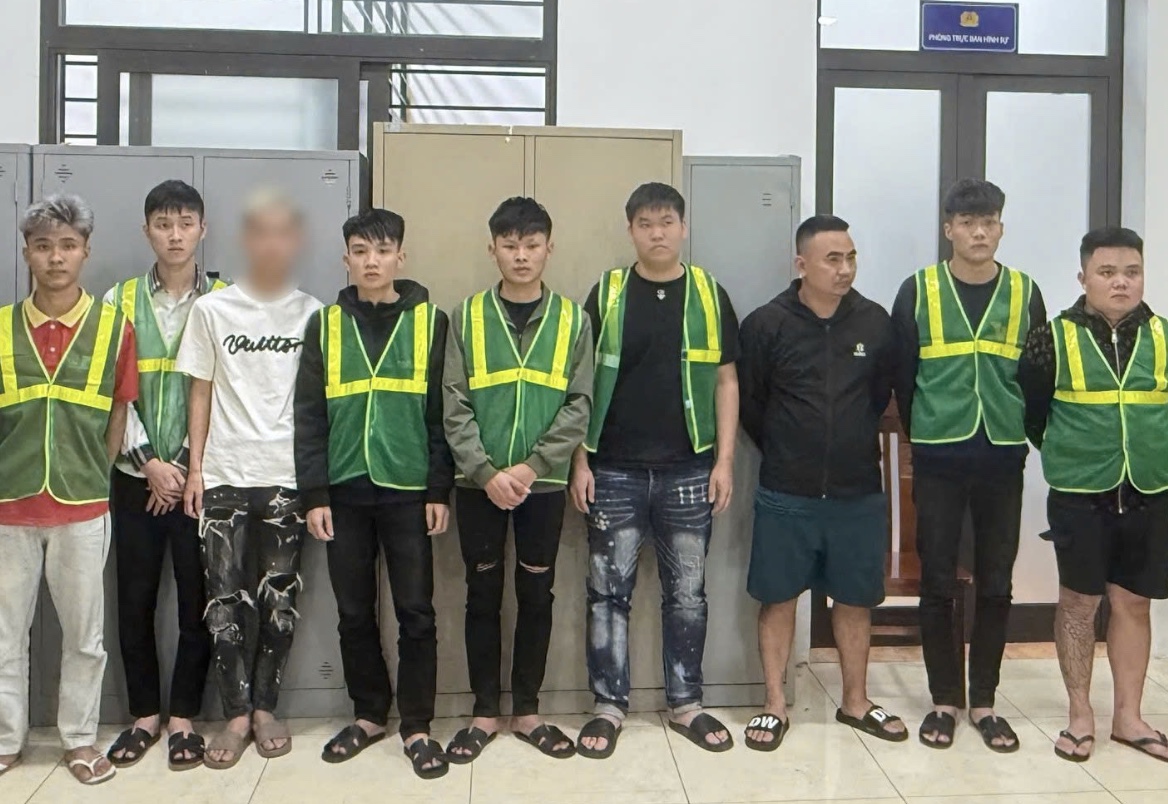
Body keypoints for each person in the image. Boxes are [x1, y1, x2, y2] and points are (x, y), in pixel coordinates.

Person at [571, 182, 739, 759]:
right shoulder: (608, 293)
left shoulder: (710, 294)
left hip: (689, 470)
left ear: (683, 228)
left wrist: (724, 461)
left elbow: (726, 380)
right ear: (631, 231)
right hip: (612, 470)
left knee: (687, 594)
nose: (657, 233)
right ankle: (608, 707)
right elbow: (580, 382)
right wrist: (579, 459)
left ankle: (686, 703)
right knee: (606, 594)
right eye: (645, 224)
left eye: (667, 222)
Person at [294, 208, 453, 778]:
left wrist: (439, 488)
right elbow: (309, 416)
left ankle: (417, 726)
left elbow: (441, 415)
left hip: (408, 489)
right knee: (353, 611)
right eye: (360, 251)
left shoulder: (432, 322)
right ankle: (368, 715)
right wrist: (314, 494)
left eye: (382, 251)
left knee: (416, 612)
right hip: (343, 491)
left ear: (400, 257)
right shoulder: (325, 325)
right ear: (346, 259)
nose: (371, 261)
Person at [739, 215, 906, 751]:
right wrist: (789, 446)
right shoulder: (767, 324)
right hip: (786, 490)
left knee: (855, 599)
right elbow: (751, 404)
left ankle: (856, 701)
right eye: (833, 259)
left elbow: (880, 396)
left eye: (851, 258)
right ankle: (774, 705)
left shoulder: (875, 323)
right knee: (778, 597)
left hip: (858, 492)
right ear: (801, 264)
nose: (845, 269)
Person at [891, 178, 1045, 752]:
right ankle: (943, 702)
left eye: (989, 222)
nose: (979, 232)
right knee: (936, 579)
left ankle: (984, 702)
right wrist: (923, 435)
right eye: (968, 222)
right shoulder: (919, 289)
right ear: (948, 228)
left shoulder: (1025, 292)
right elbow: (902, 375)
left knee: (997, 582)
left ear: (1001, 228)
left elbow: (1036, 375)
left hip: (1002, 453)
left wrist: (1024, 433)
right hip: (938, 454)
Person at [442, 197, 592, 763]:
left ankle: (527, 711)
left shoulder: (573, 320)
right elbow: (453, 402)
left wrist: (531, 467)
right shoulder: (466, 317)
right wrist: (486, 472)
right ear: (493, 249)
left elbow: (579, 404)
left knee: (536, 595)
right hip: (476, 484)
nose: (521, 255)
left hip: (542, 487)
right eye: (510, 245)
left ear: (549, 248)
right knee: (480, 595)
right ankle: (484, 711)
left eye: (531, 245)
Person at [177, 190, 321, 770]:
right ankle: (235, 713)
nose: (270, 244)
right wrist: (195, 468)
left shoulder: (312, 314)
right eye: (259, 232)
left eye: (281, 233)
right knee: (224, 602)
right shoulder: (212, 310)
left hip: (286, 478)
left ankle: (266, 707)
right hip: (223, 477)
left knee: (279, 600)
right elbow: (200, 390)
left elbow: (317, 404)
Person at [0, 195, 137, 786]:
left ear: (85, 251)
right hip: (8, 505)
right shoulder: (1, 328)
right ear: (26, 253)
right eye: (43, 246)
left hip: (83, 506)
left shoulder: (114, 329)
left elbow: (119, 414)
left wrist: (94, 476)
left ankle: (79, 740)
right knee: (3, 635)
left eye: (67, 245)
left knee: (85, 637)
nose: (55, 257)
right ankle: (5, 739)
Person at [1019, 226, 1168, 764]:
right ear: (1083, 277)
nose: (1121, 282)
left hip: (1150, 489)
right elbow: (1033, 415)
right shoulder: (1050, 338)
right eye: (1107, 272)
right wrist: (1073, 453)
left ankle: (1128, 718)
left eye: (1132, 272)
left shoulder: (1164, 335)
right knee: (1079, 605)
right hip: (1081, 492)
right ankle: (1080, 715)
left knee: (1134, 603)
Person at [104, 180, 224, 773]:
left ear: (203, 229)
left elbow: (226, 391)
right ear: (147, 230)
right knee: (135, 599)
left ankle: (183, 718)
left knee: (198, 601)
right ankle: (145, 715)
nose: (175, 235)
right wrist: (152, 462)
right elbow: (110, 392)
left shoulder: (226, 299)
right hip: (136, 476)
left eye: (185, 223)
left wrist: (182, 464)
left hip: (200, 479)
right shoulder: (118, 300)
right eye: (163, 224)